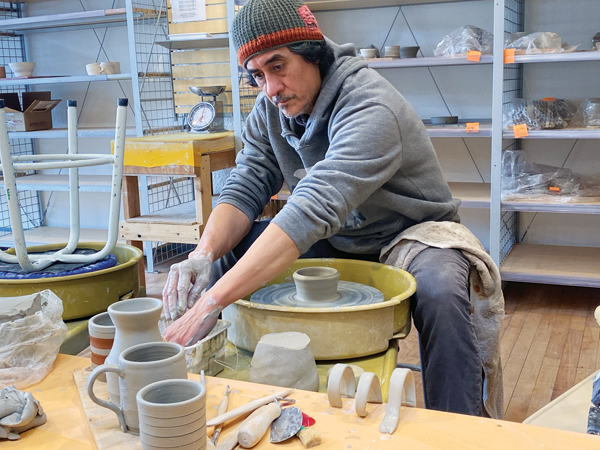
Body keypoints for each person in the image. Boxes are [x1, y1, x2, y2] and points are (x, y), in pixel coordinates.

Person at [162, 0, 497, 418]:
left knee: (441, 291)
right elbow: (246, 183)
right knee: (230, 255)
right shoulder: (271, 107)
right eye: (257, 75)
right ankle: (230, 378)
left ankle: (461, 426)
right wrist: (202, 257)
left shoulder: (371, 105)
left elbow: (313, 207)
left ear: (313, 51)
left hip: (410, 234)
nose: (270, 88)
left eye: (278, 66)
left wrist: (208, 302)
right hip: (338, 234)